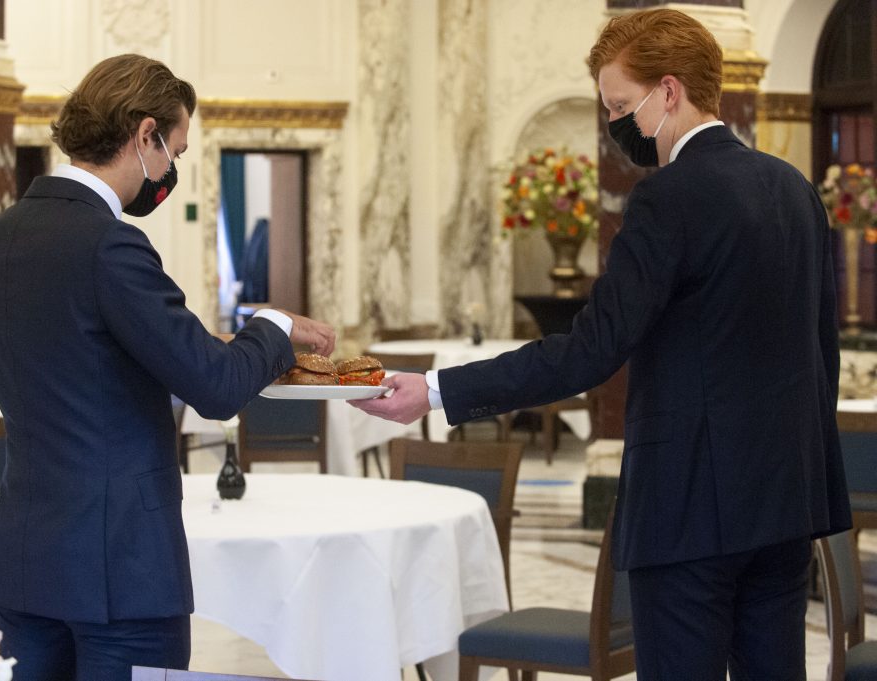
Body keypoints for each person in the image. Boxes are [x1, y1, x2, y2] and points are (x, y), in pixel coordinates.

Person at [351, 9, 850, 679]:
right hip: (787, 502)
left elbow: (589, 350)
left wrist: (438, 390)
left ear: (668, 91)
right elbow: (820, 352)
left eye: (620, 106)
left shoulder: (667, 199)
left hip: (688, 512)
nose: (617, 125)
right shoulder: (797, 191)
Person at [0, 54, 334, 681]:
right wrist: (273, 326)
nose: (170, 171)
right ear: (145, 136)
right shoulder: (109, 243)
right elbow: (215, 388)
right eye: (175, 152)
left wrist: (215, 341)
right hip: (120, 567)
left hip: (26, 559)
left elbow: (82, 352)